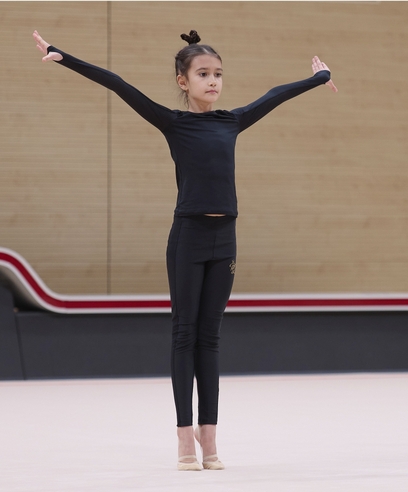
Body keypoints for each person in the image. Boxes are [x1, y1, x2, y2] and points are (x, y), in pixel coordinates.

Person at [33, 29, 337, 470]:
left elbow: (276, 95)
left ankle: (209, 437)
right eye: (203, 74)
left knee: (210, 338)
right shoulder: (174, 122)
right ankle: (183, 439)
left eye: (218, 74)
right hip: (189, 238)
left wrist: (318, 77)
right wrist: (64, 57)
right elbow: (118, 84)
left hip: (225, 237)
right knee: (184, 333)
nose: (213, 81)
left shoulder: (232, 120)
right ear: (183, 81)